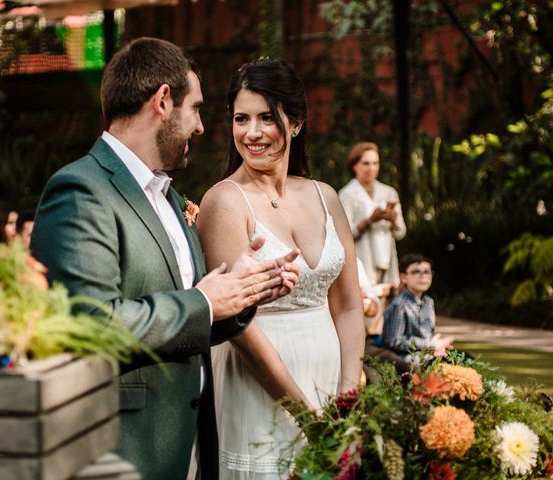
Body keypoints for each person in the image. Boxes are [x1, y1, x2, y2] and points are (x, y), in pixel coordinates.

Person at [30, 38, 300, 480]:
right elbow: (88, 327)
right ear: (163, 100)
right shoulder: (81, 191)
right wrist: (207, 301)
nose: (199, 127)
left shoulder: (168, 197)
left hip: (188, 444)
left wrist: (244, 292)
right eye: (194, 109)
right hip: (124, 448)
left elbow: (190, 316)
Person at [197, 58, 365, 478]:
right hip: (260, 386)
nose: (251, 133)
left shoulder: (325, 196)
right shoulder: (224, 202)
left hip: (329, 378)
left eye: (266, 118)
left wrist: (346, 398)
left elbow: (346, 306)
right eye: (241, 118)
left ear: (296, 122)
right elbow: (238, 325)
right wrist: (305, 414)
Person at [338, 142, 406, 285]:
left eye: (375, 163)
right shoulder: (347, 194)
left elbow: (401, 233)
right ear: (355, 166)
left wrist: (393, 220)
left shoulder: (389, 192)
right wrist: (370, 221)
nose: (372, 168)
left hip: (387, 261)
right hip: (361, 263)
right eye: (366, 163)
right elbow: (343, 235)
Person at [381, 253, 454, 366]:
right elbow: (394, 341)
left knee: (461, 357)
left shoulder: (428, 302)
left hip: (427, 352)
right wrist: (431, 344)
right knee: (444, 365)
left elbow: (428, 334)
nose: (422, 276)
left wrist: (437, 345)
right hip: (406, 357)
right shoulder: (399, 305)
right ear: (403, 277)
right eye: (416, 272)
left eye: (426, 272)